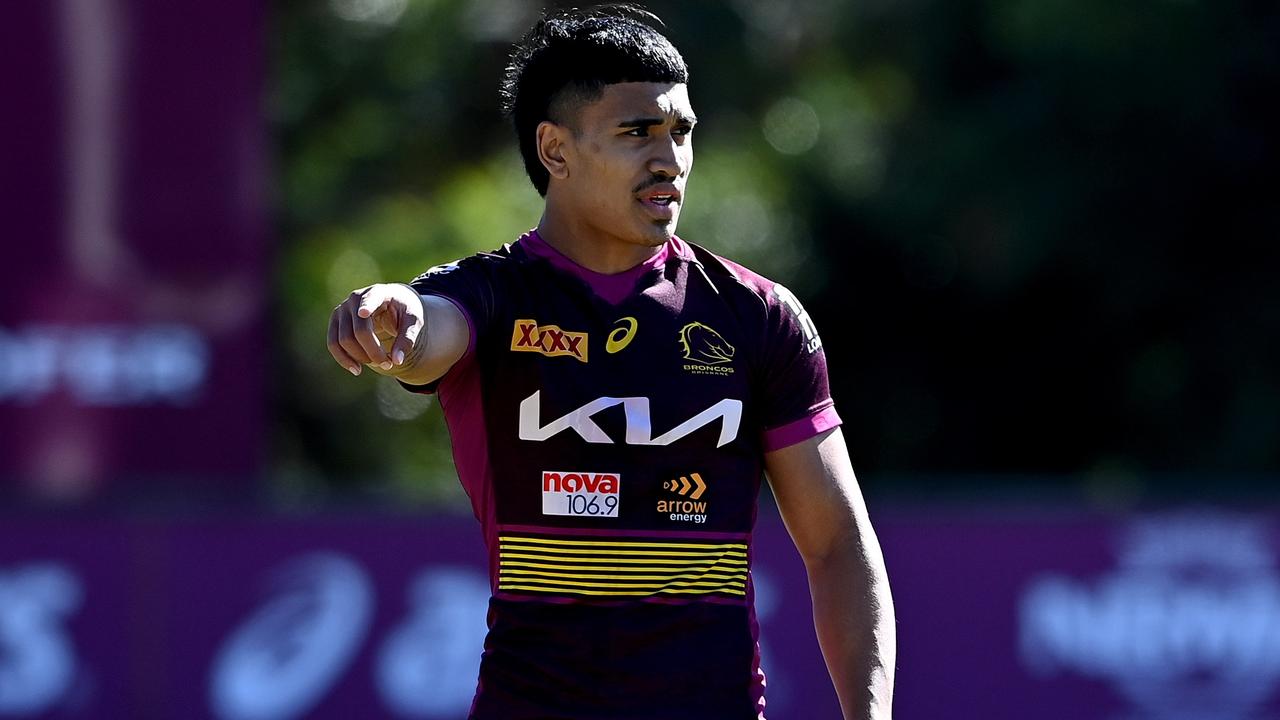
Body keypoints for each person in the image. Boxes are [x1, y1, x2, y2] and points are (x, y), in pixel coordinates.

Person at [326, 5, 894, 719]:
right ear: (556, 151)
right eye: (637, 133)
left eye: (681, 132)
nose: (670, 160)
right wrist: (396, 316)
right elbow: (428, 331)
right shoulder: (491, 295)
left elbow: (838, 542)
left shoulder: (759, 317)